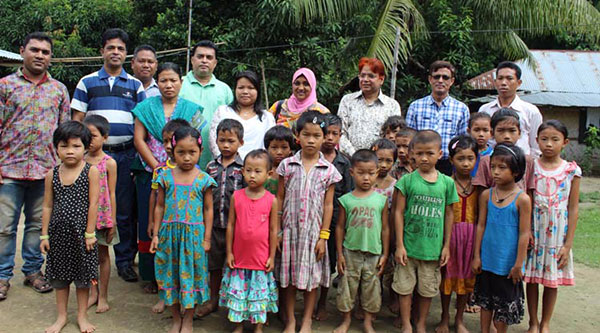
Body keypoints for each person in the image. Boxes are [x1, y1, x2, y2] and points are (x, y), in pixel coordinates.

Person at [72, 28, 146, 283]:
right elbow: (77, 121)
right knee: (87, 207)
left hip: (124, 157)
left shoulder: (135, 85)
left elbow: (141, 122)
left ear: (127, 54)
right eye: (111, 47)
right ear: (102, 50)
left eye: (121, 49)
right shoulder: (87, 82)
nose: (116, 52)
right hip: (91, 159)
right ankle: (85, 259)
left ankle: (124, 262)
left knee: (122, 210)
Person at [0, 32, 69, 300]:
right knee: (5, 226)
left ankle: (32, 271)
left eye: (45, 52)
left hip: (45, 171)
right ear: (22, 51)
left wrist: (63, 169)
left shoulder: (59, 90)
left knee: (37, 226)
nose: (40, 55)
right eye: (35, 50)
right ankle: (3, 276)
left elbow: (64, 133)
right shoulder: (5, 86)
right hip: (9, 170)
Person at [132, 62, 206, 287]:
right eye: (163, 80)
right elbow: (138, 139)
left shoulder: (193, 109)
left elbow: (195, 139)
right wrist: (157, 167)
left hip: (183, 175)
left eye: (173, 80)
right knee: (151, 221)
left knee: (178, 221)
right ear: (157, 81)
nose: (168, 85)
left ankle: (178, 276)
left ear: (181, 83)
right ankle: (151, 275)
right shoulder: (145, 107)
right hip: (151, 173)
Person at [277, 111, 342, 333]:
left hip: (314, 234)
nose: (311, 140)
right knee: (289, 278)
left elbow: (329, 205)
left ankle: (306, 320)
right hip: (289, 231)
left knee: (312, 278)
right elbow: (280, 198)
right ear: (297, 136)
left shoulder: (329, 171)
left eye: (317, 135)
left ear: (324, 138)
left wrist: (324, 236)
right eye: (306, 135)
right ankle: (291, 320)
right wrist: (277, 230)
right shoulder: (287, 165)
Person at [149, 126, 216, 333]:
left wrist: (206, 239)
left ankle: (188, 319)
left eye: (192, 152)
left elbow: (208, 210)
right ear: (173, 150)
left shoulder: (204, 179)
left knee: (191, 276)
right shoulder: (164, 177)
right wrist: (156, 235)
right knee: (170, 275)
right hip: (169, 237)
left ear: (200, 150)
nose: (187, 158)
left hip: (193, 238)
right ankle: (176, 318)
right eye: (181, 152)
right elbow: (159, 206)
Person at [392, 130, 458, 333]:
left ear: (440, 154)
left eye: (429, 153)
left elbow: (449, 215)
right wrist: (400, 245)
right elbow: (398, 212)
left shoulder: (447, 183)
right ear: (412, 153)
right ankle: (406, 324)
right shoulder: (407, 181)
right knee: (404, 289)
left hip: (433, 249)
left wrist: (446, 246)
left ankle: (420, 323)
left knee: (428, 290)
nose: (424, 158)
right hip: (408, 248)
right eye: (419, 153)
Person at [40, 121, 100, 333]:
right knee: (59, 279)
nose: (70, 151)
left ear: (85, 147)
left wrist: (90, 233)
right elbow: (47, 205)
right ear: (56, 147)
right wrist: (44, 235)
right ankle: (62, 317)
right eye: (64, 146)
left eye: (76, 146)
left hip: (83, 236)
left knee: (83, 280)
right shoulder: (52, 174)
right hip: (58, 236)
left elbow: (94, 203)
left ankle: (82, 316)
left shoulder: (91, 171)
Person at [524, 120, 581, 333]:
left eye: (554, 139)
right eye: (544, 139)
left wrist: (568, 244)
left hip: (557, 235)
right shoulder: (531, 166)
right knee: (531, 279)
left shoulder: (571, 171)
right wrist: (527, 230)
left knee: (551, 281)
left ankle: (545, 323)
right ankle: (533, 322)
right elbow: (527, 200)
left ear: (564, 142)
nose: (549, 144)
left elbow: (573, 208)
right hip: (534, 231)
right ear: (537, 140)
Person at [472, 144, 532, 333]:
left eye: (502, 167)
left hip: (507, 265)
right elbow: (480, 225)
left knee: (503, 306)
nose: (495, 172)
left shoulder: (522, 199)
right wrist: (476, 256)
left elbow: (524, 234)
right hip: (487, 260)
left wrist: (518, 264)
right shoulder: (486, 195)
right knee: (485, 302)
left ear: (516, 171)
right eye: (493, 167)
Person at [219, 149, 279, 332]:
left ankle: (258, 326)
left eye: (258, 171)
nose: (252, 175)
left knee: (258, 295)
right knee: (239, 293)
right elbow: (230, 225)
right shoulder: (237, 196)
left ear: (269, 174)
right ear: (243, 171)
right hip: (239, 258)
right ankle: (238, 325)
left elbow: (273, 230)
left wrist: (272, 256)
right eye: (248, 170)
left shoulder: (272, 200)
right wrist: (229, 252)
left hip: (260, 259)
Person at [333, 149, 389, 333]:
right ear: (352, 173)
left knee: (371, 289)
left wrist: (385, 254)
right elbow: (340, 227)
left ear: (377, 172)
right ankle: (346, 320)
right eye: (361, 173)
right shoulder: (346, 200)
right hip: (350, 251)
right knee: (347, 287)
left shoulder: (381, 200)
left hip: (374, 252)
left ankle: (368, 321)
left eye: (371, 173)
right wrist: (340, 253)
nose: (366, 178)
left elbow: (385, 229)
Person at [199, 119, 245, 317]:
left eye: (231, 141)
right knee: (214, 265)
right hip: (215, 225)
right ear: (216, 141)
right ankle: (213, 300)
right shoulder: (210, 166)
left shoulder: (244, 168)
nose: (226, 145)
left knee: (237, 265)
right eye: (222, 140)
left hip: (238, 227)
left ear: (240, 142)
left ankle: (238, 303)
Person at [147, 118, 191, 314]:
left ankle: (183, 298)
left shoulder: (194, 170)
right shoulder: (160, 170)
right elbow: (154, 197)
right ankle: (165, 297)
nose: (167, 146)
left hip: (184, 225)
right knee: (165, 262)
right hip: (163, 225)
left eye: (171, 141)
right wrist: (151, 222)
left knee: (183, 263)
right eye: (164, 141)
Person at [435, 135, 478, 333]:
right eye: (461, 158)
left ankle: (459, 319)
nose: (466, 163)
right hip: (449, 238)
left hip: (471, 240)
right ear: (451, 160)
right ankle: (444, 317)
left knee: (466, 280)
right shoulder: (445, 184)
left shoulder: (479, 187)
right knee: (447, 280)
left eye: (470, 158)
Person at [315, 113, 353, 321]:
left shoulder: (344, 163)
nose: (329, 138)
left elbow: (348, 194)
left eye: (334, 134)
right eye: (326, 133)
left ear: (340, 136)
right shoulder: (311, 157)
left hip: (335, 218)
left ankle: (322, 302)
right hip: (312, 216)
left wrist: (344, 224)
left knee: (328, 262)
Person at [405, 60, 470, 176]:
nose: (440, 80)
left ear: (452, 81)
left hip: (448, 167)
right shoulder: (415, 107)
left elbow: (463, 142)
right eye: (436, 77)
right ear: (430, 79)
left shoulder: (461, 109)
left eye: (445, 77)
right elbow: (409, 140)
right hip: (420, 165)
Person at [82, 115, 118, 314]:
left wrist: (112, 221)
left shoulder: (109, 163)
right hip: (84, 218)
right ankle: (92, 292)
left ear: (105, 137)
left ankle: (103, 295)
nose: (90, 140)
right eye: (86, 135)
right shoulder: (80, 160)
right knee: (88, 257)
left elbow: (112, 193)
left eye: (94, 135)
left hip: (104, 219)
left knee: (103, 256)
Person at [179, 40, 233, 169]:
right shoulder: (179, 84)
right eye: (200, 56)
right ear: (192, 60)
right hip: (182, 154)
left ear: (215, 63)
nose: (204, 60)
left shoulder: (224, 90)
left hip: (215, 157)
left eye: (209, 57)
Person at [338, 57, 401, 156]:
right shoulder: (347, 101)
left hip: (380, 164)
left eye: (371, 76)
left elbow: (394, 137)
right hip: (350, 162)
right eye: (362, 76)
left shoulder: (392, 105)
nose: (365, 80)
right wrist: (355, 155)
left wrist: (375, 159)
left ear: (381, 79)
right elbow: (340, 133)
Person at [479, 61, 543, 157]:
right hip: (491, 165)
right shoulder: (485, 110)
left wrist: (529, 166)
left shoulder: (531, 111)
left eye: (509, 78)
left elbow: (536, 147)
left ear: (519, 83)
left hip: (521, 165)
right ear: (495, 82)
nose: (504, 83)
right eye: (500, 78)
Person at [210, 70, 275, 159]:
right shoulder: (222, 112)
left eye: (250, 88)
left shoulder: (267, 117)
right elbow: (213, 141)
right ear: (235, 90)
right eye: (241, 87)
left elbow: (270, 145)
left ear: (258, 91)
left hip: (257, 169)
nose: (245, 91)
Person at [473, 108, 535, 192]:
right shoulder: (486, 161)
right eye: (501, 131)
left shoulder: (527, 160)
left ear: (519, 133)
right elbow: (481, 192)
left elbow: (530, 190)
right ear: (492, 133)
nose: (506, 136)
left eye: (512, 131)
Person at [263, 126, 294, 195]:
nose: (279, 152)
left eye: (284, 147)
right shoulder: (261, 169)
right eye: (274, 147)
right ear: (267, 149)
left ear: (290, 150)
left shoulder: (292, 170)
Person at [468, 112, 493, 177]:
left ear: (491, 133)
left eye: (485, 130)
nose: (481, 134)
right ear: (469, 131)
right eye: (476, 130)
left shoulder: (493, 154)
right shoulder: (465, 153)